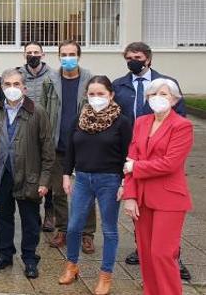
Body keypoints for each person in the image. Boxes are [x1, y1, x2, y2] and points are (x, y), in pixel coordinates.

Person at [112, 41, 190, 276]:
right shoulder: (120, 85)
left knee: (163, 243)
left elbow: (179, 120)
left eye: (137, 57)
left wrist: (137, 164)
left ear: (148, 58)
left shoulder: (168, 84)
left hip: (160, 157)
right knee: (142, 222)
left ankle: (175, 258)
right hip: (133, 150)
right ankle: (141, 248)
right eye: (128, 57)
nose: (132, 61)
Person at [0, 68, 54, 279]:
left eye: (16, 84)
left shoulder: (36, 112)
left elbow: (48, 151)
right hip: (1, 175)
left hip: (29, 177)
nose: (12, 89)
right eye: (7, 85)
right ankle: (5, 254)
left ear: (24, 88)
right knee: (3, 218)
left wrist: (44, 180)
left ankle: (30, 258)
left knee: (30, 220)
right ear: (2, 88)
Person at [58, 76, 132, 295]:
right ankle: (72, 266)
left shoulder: (122, 121)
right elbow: (71, 149)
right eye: (92, 94)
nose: (96, 98)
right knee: (73, 227)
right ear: (86, 95)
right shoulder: (79, 118)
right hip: (82, 178)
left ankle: (105, 275)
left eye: (101, 94)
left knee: (109, 230)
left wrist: (124, 181)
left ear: (111, 95)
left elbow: (128, 153)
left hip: (110, 180)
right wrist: (65, 174)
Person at [122, 79, 193, 295]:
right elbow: (130, 161)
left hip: (169, 199)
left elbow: (170, 163)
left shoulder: (182, 126)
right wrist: (130, 196)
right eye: (153, 94)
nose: (158, 98)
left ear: (174, 99)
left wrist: (137, 166)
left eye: (164, 94)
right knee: (146, 254)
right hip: (142, 198)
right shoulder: (141, 122)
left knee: (162, 254)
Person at [40, 41, 95, 252]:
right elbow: (44, 112)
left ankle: (87, 233)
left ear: (79, 56)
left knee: (86, 191)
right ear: (58, 56)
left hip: (84, 146)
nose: (68, 57)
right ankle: (61, 229)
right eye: (64, 54)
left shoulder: (89, 80)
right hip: (58, 145)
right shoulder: (50, 80)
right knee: (58, 193)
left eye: (72, 54)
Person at [16, 41, 55, 232]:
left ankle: (50, 211)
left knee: (48, 172)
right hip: (24, 130)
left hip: (46, 129)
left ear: (43, 55)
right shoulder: (18, 75)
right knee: (30, 172)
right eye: (29, 52)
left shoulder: (53, 76)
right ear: (24, 55)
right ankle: (34, 211)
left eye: (36, 52)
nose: (33, 55)